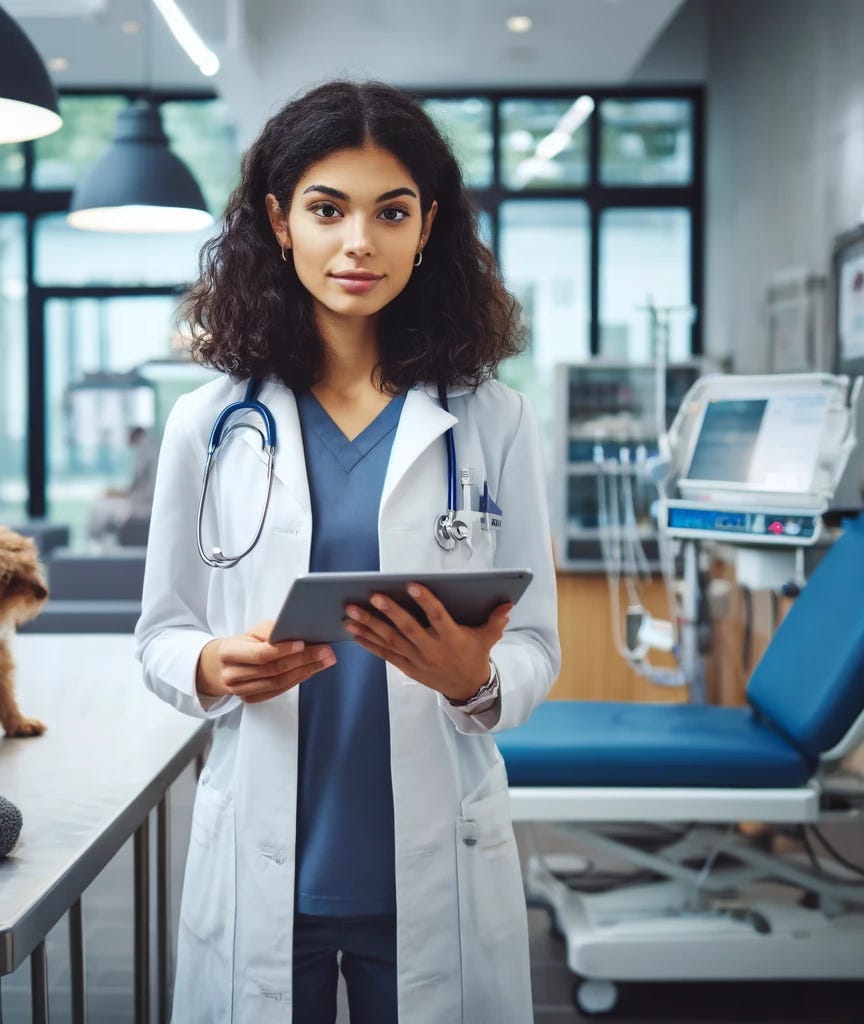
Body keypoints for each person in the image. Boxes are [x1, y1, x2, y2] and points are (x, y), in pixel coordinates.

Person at [135, 80, 560, 1024]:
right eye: (328, 209)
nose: (358, 242)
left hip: (431, 861)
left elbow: (535, 645)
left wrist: (472, 681)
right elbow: (161, 634)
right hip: (267, 856)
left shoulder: (491, 420)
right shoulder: (207, 425)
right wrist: (213, 663)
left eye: (390, 211)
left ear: (427, 226)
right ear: (280, 221)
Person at [87, 425, 158, 545]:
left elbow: (136, 486)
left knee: (101, 508)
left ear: (133, 437)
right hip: (141, 500)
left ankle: (95, 544)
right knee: (105, 504)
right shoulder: (151, 448)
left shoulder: (146, 450)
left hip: (143, 504)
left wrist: (117, 494)